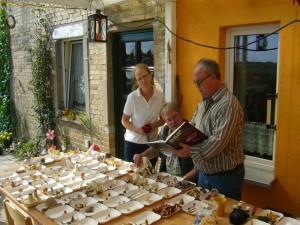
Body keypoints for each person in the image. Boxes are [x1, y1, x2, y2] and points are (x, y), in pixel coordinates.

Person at [173, 58, 245, 200]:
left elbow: (216, 143)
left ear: (213, 77)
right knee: (204, 218)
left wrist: (189, 150)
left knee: (221, 220)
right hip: (204, 174)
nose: (197, 86)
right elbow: (192, 128)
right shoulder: (204, 102)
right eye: (195, 82)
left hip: (225, 178)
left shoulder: (228, 105)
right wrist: (177, 139)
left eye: (199, 81)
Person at [133, 102, 198, 183]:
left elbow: (198, 167)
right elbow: (155, 150)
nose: (173, 122)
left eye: (174, 117)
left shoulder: (191, 131)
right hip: (167, 178)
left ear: (181, 114)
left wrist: (183, 180)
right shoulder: (165, 131)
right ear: (165, 121)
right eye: (169, 120)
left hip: (186, 179)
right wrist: (142, 155)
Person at [121, 63, 165, 164]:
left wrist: (154, 125)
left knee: (150, 175)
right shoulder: (132, 97)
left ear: (150, 75)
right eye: (139, 78)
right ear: (137, 81)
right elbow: (124, 120)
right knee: (132, 175)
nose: (143, 80)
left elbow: (163, 119)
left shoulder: (160, 96)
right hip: (132, 143)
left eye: (145, 76)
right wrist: (138, 130)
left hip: (151, 144)